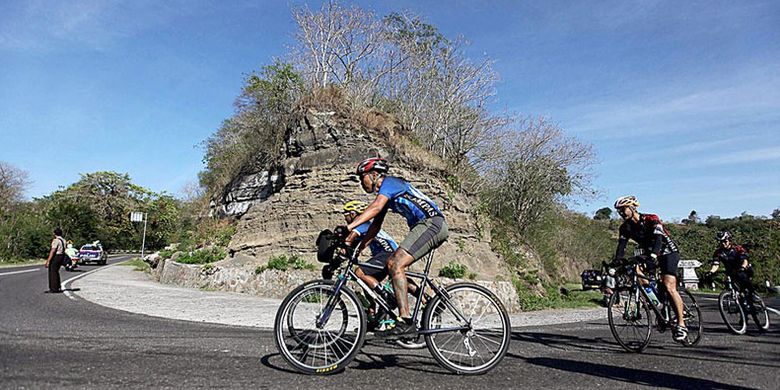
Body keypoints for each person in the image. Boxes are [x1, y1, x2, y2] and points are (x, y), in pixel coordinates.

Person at [345, 157, 449, 339]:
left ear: (374, 174)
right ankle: (430, 301)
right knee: (395, 267)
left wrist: (349, 227)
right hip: (426, 226)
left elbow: (375, 207)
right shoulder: (387, 196)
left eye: (363, 177)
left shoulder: (391, 183)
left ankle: (405, 320)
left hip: (432, 223)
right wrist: (359, 249)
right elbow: (374, 228)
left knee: (395, 263)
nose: (361, 182)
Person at [613, 195, 688, 342]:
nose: (621, 213)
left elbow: (659, 240)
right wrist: (616, 261)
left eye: (623, 209)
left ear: (632, 207)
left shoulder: (651, 219)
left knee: (668, 285)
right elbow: (621, 247)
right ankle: (658, 304)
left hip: (667, 252)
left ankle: (681, 324)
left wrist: (654, 255)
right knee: (634, 270)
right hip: (648, 252)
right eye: (619, 211)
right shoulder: (625, 227)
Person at [707, 231, 755, 303]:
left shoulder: (737, 248)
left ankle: (752, 297)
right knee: (729, 283)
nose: (723, 244)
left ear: (729, 240)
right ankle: (739, 302)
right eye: (721, 242)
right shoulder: (718, 252)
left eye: (725, 241)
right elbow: (716, 264)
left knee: (743, 278)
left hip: (743, 269)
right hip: (731, 271)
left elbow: (745, 260)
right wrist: (711, 272)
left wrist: (743, 267)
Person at [44, 228, 67, 293]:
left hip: (56, 256)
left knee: (52, 272)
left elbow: (53, 250)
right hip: (62, 255)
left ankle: (54, 288)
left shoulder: (56, 240)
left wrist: (48, 260)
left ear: (54, 233)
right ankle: (58, 286)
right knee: (56, 271)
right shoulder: (64, 240)